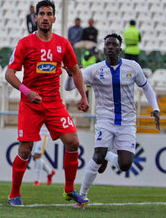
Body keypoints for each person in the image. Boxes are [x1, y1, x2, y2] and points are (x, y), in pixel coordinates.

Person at [5, 0, 89, 207]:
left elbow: (75, 70)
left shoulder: (62, 44)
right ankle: (14, 194)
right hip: (30, 104)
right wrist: (27, 91)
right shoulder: (25, 43)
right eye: (41, 14)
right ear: (35, 18)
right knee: (25, 150)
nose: (44, 17)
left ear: (54, 18)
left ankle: (69, 190)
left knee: (73, 142)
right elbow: (9, 74)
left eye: (49, 14)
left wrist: (83, 95)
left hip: (53, 103)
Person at [65, 33, 160, 209]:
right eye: (107, 44)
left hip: (127, 122)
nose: (110, 47)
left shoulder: (132, 67)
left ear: (120, 48)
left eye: (114, 44)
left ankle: (107, 156)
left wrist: (155, 108)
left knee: (125, 165)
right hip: (105, 120)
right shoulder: (95, 70)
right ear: (103, 48)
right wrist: (71, 74)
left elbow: (146, 87)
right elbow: (69, 86)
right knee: (97, 154)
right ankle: (82, 197)